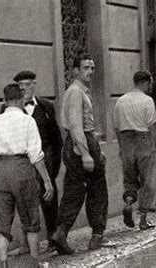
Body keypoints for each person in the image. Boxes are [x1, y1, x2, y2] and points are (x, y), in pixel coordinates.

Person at [0, 84, 54, 267]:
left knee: (2, 221)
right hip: (21, 167)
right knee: (31, 217)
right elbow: (36, 154)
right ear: (20, 99)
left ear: (4, 100)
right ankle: (34, 262)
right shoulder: (27, 120)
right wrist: (47, 181)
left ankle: (3, 263)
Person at [51, 52, 108, 254]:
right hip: (80, 141)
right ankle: (97, 234)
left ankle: (61, 232)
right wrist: (85, 153)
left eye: (92, 68)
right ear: (75, 71)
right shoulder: (76, 91)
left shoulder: (79, 91)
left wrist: (95, 150)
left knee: (75, 190)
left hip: (82, 141)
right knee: (97, 189)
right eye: (86, 68)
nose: (91, 72)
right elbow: (76, 125)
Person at [0, 71, 63, 252]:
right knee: (24, 204)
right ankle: (26, 244)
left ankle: (53, 239)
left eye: (28, 84)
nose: (24, 89)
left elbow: (56, 138)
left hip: (43, 163)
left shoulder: (46, 106)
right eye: (20, 86)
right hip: (21, 165)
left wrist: (54, 166)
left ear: (34, 84)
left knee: (49, 202)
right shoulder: (7, 110)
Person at [113, 71, 156, 230]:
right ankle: (143, 219)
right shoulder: (147, 100)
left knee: (130, 178)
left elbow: (116, 126)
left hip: (126, 139)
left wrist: (122, 146)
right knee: (149, 179)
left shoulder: (121, 101)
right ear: (147, 82)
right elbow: (152, 125)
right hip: (144, 139)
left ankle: (129, 202)